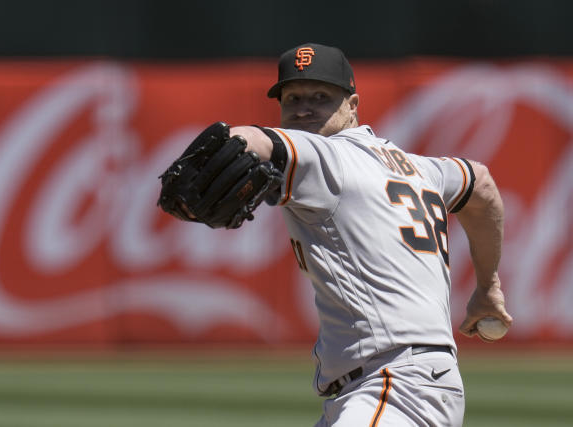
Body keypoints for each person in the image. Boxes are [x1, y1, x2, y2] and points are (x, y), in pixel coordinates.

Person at [196, 43, 512, 426]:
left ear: (352, 104)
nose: (304, 107)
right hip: (395, 386)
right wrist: (488, 284)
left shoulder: (327, 156)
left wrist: (232, 142)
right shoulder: (417, 167)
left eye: (320, 96)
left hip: (397, 386)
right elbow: (480, 182)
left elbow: (259, 140)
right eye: (292, 97)